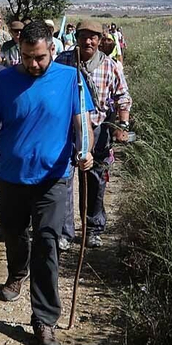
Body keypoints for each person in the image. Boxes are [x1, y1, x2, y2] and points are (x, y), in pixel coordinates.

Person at [0, 20, 93, 345]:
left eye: (38, 57)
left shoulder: (71, 79)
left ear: (52, 49)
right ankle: (16, 273)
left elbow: (83, 124)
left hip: (53, 179)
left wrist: (86, 150)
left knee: (47, 244)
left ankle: (44, 320)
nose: (32, 64)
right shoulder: (6, 80)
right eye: (26, 57)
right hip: (12, 177)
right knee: (13, 232)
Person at [57, 21, 131, 249]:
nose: (88, 41)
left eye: (93, 37)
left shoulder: (110, 66)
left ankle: (93, 229)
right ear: (76, 38)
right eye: (83, 36)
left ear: (100, 40)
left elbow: (123, 97)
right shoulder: (63, 62)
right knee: (64, 180)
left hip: (98, 130)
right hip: (66, 129)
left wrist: (122, 125)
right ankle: (64, 232)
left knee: (95, 180)